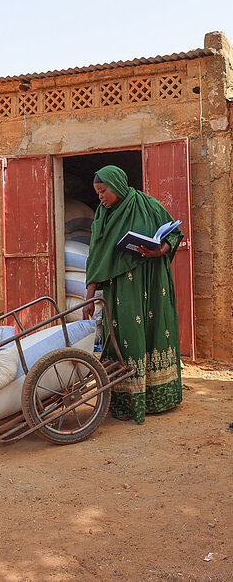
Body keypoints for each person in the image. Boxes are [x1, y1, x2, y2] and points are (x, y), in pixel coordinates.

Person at [83, 165, 183, 424]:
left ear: (116, 185)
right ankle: (129, 397)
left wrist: (157, 251)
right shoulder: (102, 217)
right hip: (122, 287)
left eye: (103, 191)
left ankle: (159, 396)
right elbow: (96, 256)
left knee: (156, 329)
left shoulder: (149, 205)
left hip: (153, 278)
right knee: (126, 334)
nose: (101, 197)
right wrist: (90, 296)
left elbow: (174, 234)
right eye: (97, 193)